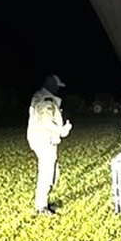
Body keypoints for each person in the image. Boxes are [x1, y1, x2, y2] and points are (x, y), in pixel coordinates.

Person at [26, 74, 72, 214]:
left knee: (53, 172)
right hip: (44, 139)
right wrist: (62, 130)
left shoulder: (39, 96)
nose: (58, 89)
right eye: (57, 86)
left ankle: (44, 201)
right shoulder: (47, 100)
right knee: (47, 173)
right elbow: (46, 121)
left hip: (39, 138)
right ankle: (41, 207)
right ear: (51, 85)